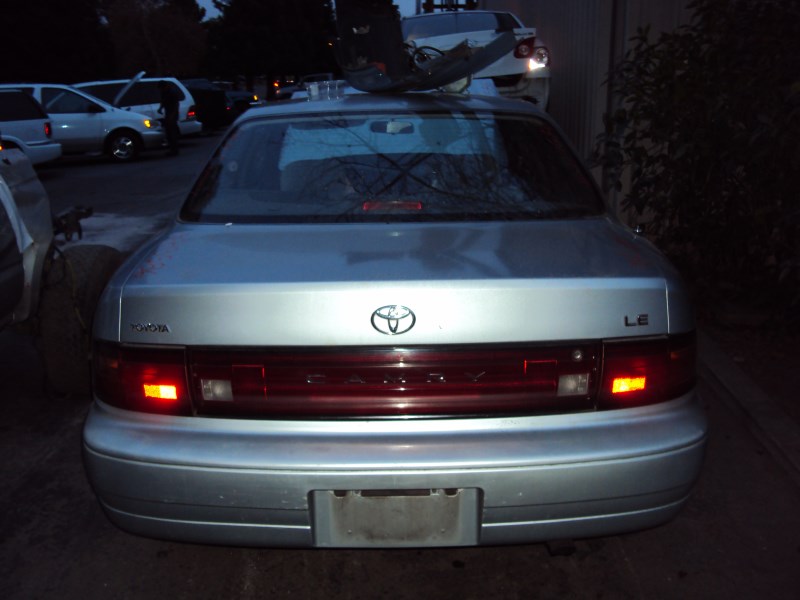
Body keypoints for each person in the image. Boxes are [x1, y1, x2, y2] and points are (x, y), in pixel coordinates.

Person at [157, 80, 180, 156]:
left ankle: (174, 150)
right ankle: (172, 149)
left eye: (161, 88)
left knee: (172, 132)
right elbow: (163, 101)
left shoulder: (172, 93)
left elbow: (176, 105)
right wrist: (160, 108)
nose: (160, 90)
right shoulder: (164, 93)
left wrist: (173, 115)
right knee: (168, 132)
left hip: (173, 114)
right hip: (168, 113)